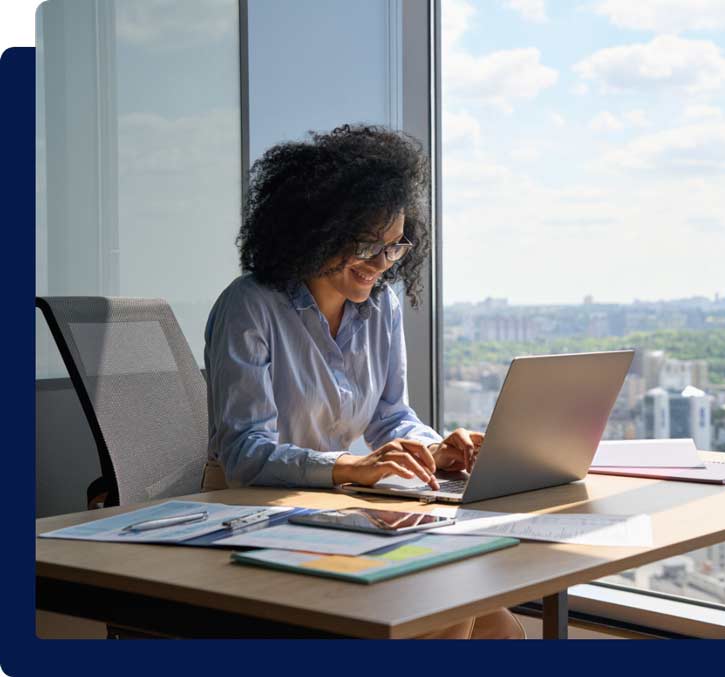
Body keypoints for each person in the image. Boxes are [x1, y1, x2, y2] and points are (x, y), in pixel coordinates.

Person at [202, 124, 525, 639]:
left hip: (333, 512)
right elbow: (244, 454)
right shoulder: (250, 307)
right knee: (447, 614)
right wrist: (352, 466)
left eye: (395, 247)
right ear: (316, 230)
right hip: (254, 517)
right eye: (368, 244)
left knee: (499, 628)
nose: (382, 263)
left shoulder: (381, 306)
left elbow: (390, 417)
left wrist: (436, 448)